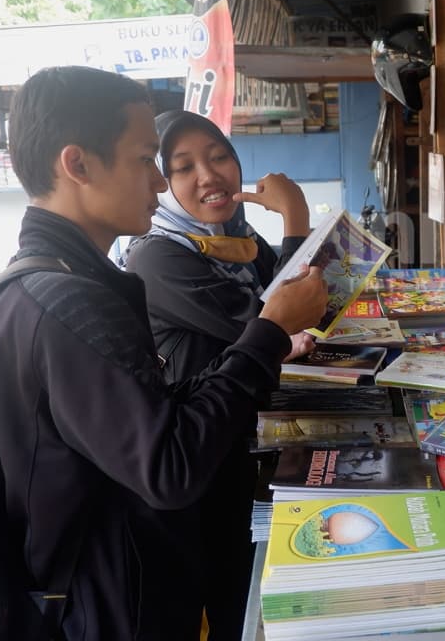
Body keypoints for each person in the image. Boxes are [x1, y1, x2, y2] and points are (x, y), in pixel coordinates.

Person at [0, 66, 328, 640]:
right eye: (149, 160)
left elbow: (146, 417)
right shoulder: (65, 305)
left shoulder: (56, 285)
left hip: (126, 591)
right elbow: (168, 467)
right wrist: (266, 333)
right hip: (112, 611)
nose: (161, 183)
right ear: (79, 164)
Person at [121, 110, 316, 640]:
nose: (209, 175)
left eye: (219, 156)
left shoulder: (234, 236)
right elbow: (271, 318)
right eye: (182, 167)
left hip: (245, 440)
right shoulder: (157, 258)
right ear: (161, 185)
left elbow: (293, 298)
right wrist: (296, 216)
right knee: (233, 596)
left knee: (255, 583)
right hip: (205, 459)